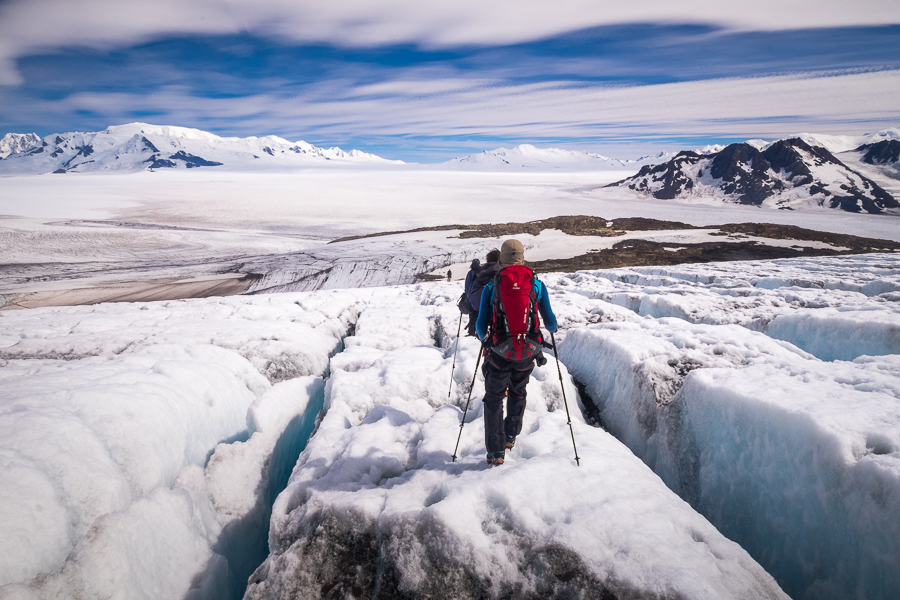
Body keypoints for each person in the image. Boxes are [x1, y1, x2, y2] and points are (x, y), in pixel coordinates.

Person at [476, 239, 557, 466]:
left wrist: (487, 339)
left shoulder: (492, 286)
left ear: (501, 259)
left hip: (499, 354)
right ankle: (511, 435)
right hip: (528, 353)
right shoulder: (536, 285)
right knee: (518, 391)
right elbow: (550, 323)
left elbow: (481, 327)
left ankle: (496, 452)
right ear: (522, 257)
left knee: (494, 399)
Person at [464, 250, 500, 336]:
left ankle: (473, 332)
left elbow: (470, 288)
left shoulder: (480, 272)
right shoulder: (503, 272)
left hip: (477, 305)